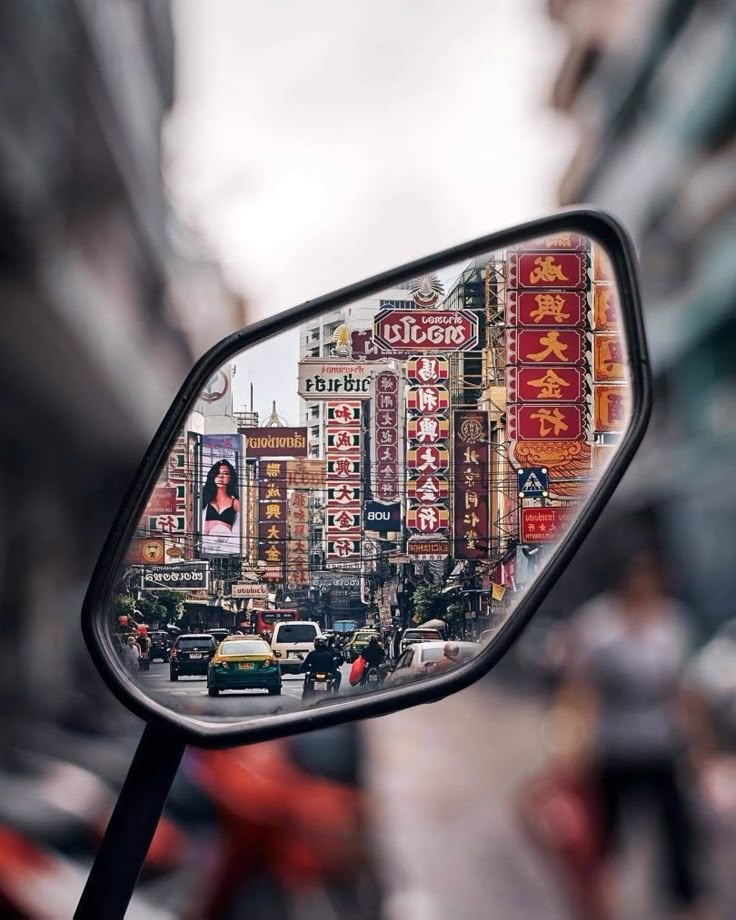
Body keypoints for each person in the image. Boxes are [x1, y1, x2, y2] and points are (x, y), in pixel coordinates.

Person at [560, 550, 707, 918]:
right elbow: (581, 689)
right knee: (605, 836)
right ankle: (598, 904)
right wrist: (575, 743)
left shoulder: (672, 621)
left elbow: (683, 690)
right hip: (614, 746)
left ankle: (687, 903)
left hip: (660, 744)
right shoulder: (598, 623)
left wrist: (699, 747)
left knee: (677, 833)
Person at [201, 459, 241, 552]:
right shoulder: (204, 500)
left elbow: (238, 532)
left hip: (227, 549)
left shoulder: (236, 503)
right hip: (205, 548)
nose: (221, 476)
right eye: (217, 473)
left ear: (230, 477)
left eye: (226, 473)